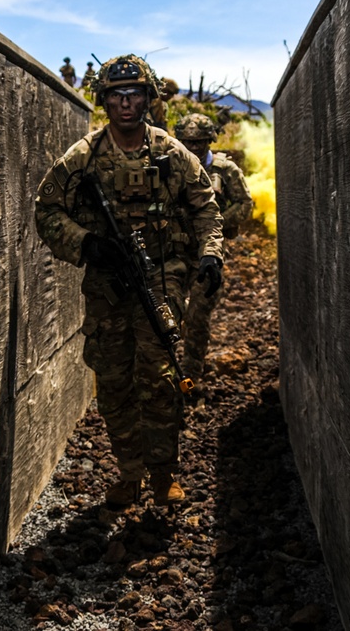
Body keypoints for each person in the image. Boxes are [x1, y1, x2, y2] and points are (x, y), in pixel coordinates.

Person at [34, 55, 224, 508]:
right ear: (104, 100)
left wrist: (211, 254)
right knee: (114, 378)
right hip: (106, 284)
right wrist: (86, 244)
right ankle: (129, 472)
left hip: (162, 278)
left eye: (134, 94)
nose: (125, 103)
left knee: (158, 376)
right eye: (117, 95)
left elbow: (205, 208)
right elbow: (46, 209)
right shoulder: (84, 157)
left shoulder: (169, 153)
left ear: (147, 98)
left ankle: (162, 473)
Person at [173, 113, 254, 381]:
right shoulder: (171, 166)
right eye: (187, 142)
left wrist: (216, 222)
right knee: (166, 314)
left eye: (199, 142)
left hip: (208, 254)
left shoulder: (225, 170)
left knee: (197, 318)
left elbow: (245, 205)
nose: (193, 147)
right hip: (172, 252)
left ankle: (191, 377)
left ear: (209, 140)